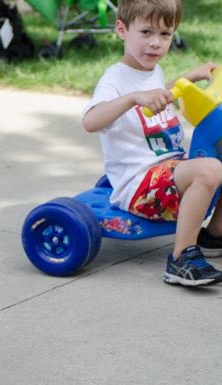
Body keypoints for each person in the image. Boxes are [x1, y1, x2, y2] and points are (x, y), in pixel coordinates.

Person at [82, 0, 220, 287]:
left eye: (165, 35)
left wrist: (189, 77)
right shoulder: (114, 79)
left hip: (168, 171)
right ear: (122, 29)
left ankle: (214, 235)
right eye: (146, 32)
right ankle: (181, 259)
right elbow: (91, 121)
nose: (156, 43)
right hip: (140, 185)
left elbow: (158, 92)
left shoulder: (151, 70)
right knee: (209, 170)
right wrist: (133, 99)